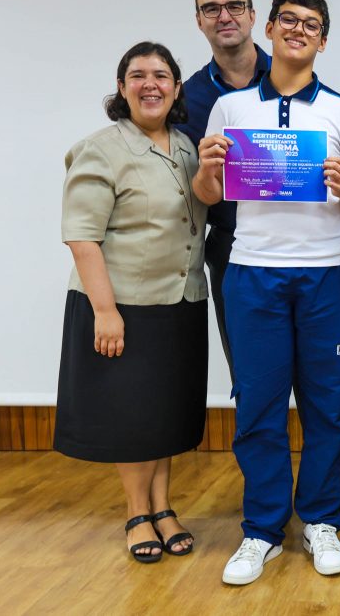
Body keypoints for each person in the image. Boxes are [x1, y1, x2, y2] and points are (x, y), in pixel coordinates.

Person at [179, 0, 340, 532]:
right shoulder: (230, 108)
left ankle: (321, 520)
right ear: (268, 28)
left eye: (311, 25)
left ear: (324, 41)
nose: (298, 30)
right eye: (288, 20)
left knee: (327, 406)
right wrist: (207, 170)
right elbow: (208, 196)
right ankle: (264, 528)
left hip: (329, 274)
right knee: (258, 406)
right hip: (252, 271)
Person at [55, 42, 207, 563]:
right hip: (123, 305)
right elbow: (82, 237)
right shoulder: (100, 149)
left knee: (163, 414)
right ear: (121, 88)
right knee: (133, 417)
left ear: (177, 88)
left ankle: (164, 507)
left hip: (180, 300)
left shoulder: (187, 147)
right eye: (137, 75)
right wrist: (105, 312)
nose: (150, 84)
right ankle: (137, 513)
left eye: (161, 75)